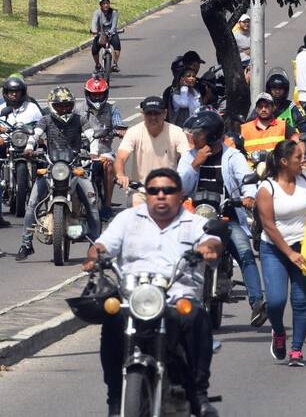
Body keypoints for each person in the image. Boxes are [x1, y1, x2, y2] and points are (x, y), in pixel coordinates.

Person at [84, 168, 223, 417]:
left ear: (180, 195)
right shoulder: (128, 219)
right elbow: (104, 245)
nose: (161, 195)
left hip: (177, 296)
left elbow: (212, 241)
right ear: (146, 194)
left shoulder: (194, 222)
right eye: (154, 191)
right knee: (112, 319)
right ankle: (115, 398)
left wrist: (207, 249)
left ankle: (198, 394)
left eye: (168, 191)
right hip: (134, 297)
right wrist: (96, 255)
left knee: (195, 316)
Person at [177, 110, 266, 327]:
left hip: (226, 216)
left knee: (244, 252)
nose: (193, 137)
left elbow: (247, 181)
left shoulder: (232, 156)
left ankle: (257, 304)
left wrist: (248, 196)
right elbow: (180, 188)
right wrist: (195, 165)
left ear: (211, 135)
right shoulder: (189, 157)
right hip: (195, 217)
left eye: (198, 133)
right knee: (177, 253)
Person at [16, 87, 100, 261]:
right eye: (60, 106)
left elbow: (92, 137)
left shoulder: (80, 119)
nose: (64, 109)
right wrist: (30, 148)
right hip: (51, 166)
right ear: (53, 106)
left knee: (92, 203)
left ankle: (96, 244)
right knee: (32, 203)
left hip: (75, 166)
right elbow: (34, 135)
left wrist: (93, 152)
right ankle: (26, 244)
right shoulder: (45, 120)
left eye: (67, 105)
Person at [256, 140, 306, 366]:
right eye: (298, 157)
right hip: (274, 249)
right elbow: (269, 225)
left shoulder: (305, 179)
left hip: (303, 248)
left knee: (300, 300)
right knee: (276, 301)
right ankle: (278, 332)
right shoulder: (266, 188)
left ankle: (297, 350)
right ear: (284, 161)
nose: (302, 161)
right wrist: (289, 253)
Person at [115, 96, 190, 206]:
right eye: (149, 113)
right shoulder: (133, 132)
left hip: (169, 190)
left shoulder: (177, 132)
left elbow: (187, 158)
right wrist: (120, 175)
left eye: (157, 113)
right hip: (141, 190)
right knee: (135, 205)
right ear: (143, 114)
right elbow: (121, 157)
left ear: (164, 114)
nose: (153, 117)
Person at [80, 75, 127, 219]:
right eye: (94, 95)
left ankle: (107, 205)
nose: (97, 98)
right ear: (88, 94)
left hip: (103, 151)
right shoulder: (77, 109)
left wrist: (119, 131)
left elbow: (119, 124)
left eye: (100, 94)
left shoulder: (112, 108)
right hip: (82, 151)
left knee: (109, 166)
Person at [0, 76, 43, 226]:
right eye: (11, 92)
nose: (14, 95)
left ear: (22, 92)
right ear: (5, 93)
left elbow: (42, 123)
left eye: (17, 92)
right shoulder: (1, 109)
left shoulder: (32, 108)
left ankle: (43, 197)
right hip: (6, 142)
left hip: (27, 142)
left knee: (44, 161)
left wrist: (38, 134)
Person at [241, 93, 297, 164]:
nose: (263, 109)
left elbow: (297, 143)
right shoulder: (244, 128)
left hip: (277, 169)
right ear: (256, 109)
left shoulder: (283, 125)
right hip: (251, 171)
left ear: (273, 108)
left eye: (267, 106)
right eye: (260, 107)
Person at [90, 0, 121, 73]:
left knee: (117, 45)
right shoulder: (97, 13)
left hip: (111, 33)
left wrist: (111, 32)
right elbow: (94, 22)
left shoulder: (114, 12)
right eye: (103, 3)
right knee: (94, 49)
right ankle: (97, 65)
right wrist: (94, 31)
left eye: (107, 3)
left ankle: (114, 64)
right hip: (101, 34)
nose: (106, 5)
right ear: (100, 5)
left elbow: (114, 25)